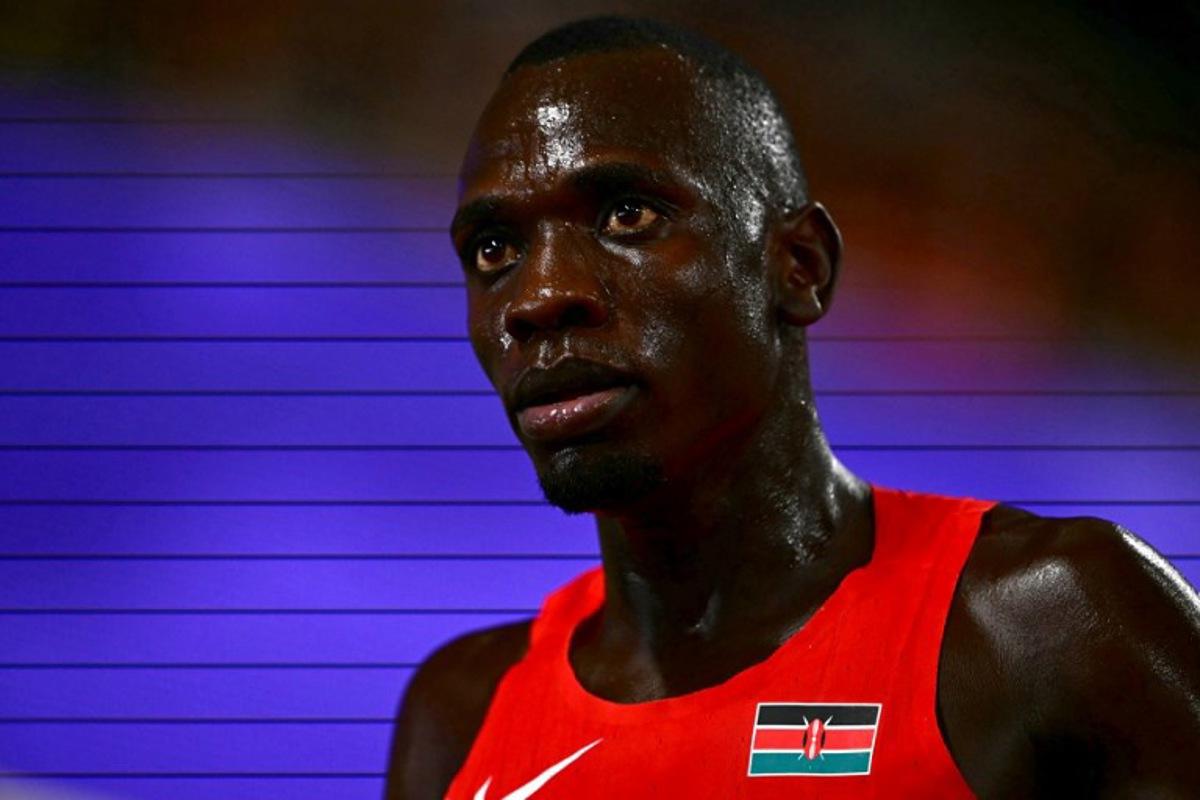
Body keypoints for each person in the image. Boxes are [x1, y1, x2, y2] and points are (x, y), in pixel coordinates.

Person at [385, 16, 1200, 799]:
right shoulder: (461, 717)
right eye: (495, 250)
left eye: (627, 215)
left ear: (799, 265)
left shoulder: (1051, 627)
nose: (540, 296)